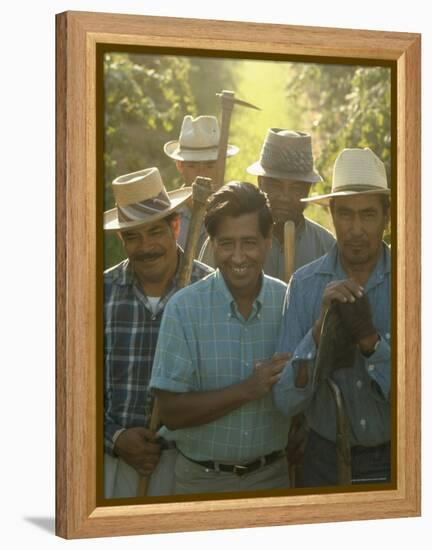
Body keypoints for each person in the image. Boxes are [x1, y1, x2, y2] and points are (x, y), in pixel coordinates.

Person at [149, 182, 291, 494]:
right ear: (211, 244)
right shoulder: (184, 310)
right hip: (200, 483)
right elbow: (171, 414)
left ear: (269, 241)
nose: (238, 257)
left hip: (273, 479)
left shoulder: (288, 303)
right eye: (226, 244)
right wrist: (247, 390)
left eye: (250, 243)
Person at [273, 147, 391, 487]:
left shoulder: (413, 280)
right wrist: (319, 331)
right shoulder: (306, 286)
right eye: (346, 215)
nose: (355, 229)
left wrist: (371, 342)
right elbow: (284, 400)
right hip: (324, 461)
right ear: (332, 215)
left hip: (401, 455)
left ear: (387, 216)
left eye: (368, 215)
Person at [103, 167, 212, 498]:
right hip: (113, 463)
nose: (146, 246)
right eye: (133, 236)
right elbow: (71, 390)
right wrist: (116, 437)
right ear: (122, 239)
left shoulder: (207, 291)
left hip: (188, 462)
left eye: (154, 232)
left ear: (175, 227)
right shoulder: (98, 293)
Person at [199, 129, 334, 278]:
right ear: (260, 183)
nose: (285, 197)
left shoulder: (325, 246)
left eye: (296, 188)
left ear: (308, 189)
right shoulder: (225, 240)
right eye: (276, 185)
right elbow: (203, 293)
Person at [164, 114, 239, 253]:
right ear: (180, 165)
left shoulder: (236, 213)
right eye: (193, 166)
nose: (201, 174)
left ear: (221, 166)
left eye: (209, 166)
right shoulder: (166, 216)